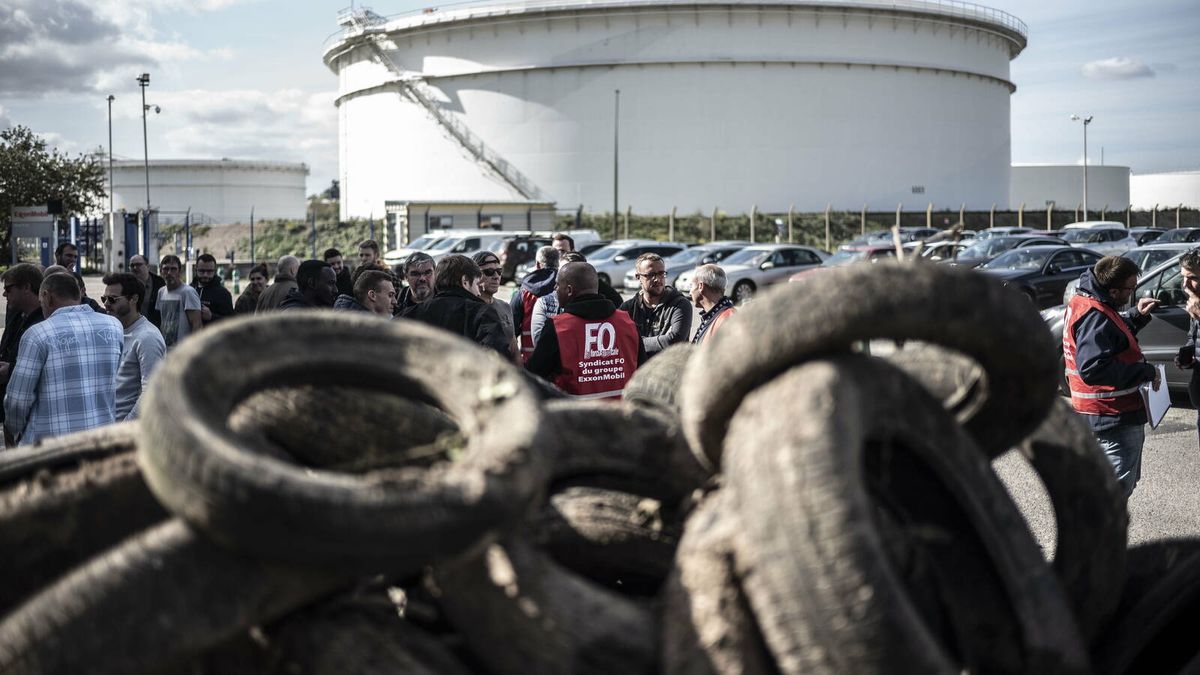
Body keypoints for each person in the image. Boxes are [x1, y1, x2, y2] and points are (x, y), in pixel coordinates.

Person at [1063, 255, 1161, 498]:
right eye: (1130, 289)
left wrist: (1136, 316)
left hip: (1102, 413)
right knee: (1114, 493)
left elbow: (1110, 336)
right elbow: (1093, 368)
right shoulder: (1095, 315)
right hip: (1113, 415)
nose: (1133, 293)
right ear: (1114, 291)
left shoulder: (1088, 301)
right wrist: (1145, 372)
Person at [4, 273, 124, 446]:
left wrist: (14, 432)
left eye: (41, 302)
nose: (42, 308)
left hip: (50, 447)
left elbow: (18, 400)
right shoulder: (114, 327)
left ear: (47, 296)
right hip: (100, 442)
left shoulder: (37, 334)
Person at [527, 261, 644, 399]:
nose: (555, 288)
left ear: (569, 290)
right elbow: (643, 369)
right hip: (622, 410)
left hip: (574, 411)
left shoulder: (558, 327)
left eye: (557, 285)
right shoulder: (627, 322)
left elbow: (533, 375)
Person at [407, 255, 510, 356]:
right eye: (476, 284)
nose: (479, 293)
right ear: (465, 281)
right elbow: (496, 355)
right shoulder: (484, 314)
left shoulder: (410, 314)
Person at [102, 273, 165, 421]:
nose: (106, 304)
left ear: (134, 299)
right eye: (104, 299)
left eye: (113, 299)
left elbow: (152, 390)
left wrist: (126, 426)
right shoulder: (113, 331)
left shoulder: (148, 337)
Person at [0, 264, 45, 442]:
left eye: (8, 289)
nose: (4, 294)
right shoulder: (16, 314)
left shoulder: (45, 320)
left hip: (30, 417)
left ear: (26, 287)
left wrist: (10, 369)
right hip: (9, 406)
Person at [619, 252, 693, 358]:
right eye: (651, 275)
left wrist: (635, 342)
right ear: (638, 277)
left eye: (661, 273)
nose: (657, 279)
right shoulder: (627, 308)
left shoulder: (680, 304)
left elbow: (674, 341)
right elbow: (619, 340)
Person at [512, 246, 559, 363]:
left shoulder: (523, 292)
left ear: (537, 264)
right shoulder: (564, 288)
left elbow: (511, 329)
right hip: (560, 359)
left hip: (530, 359)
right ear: (558, 263)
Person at [530, 251, 587, 346]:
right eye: (561, 271)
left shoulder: (593, 304)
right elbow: (540, 343)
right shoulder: (545, 303)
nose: (563, 277)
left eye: (570, 273)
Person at [1174, 249, 1200, 447]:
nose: (1185, 285)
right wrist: (1188, 354)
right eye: (1183, 277)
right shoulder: (1194, 302)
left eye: (1192, 278)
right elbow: (1194, 337)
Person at [473, 250, 518, 360]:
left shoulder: (505, 307)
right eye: (489, 271)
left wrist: (519, 368)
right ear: (474, 275)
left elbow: (514, 348)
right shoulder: (468, 309)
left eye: (499, 271)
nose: (496, 276)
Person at [156, 254, 203, 348]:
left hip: (183, 349)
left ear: (179, 271)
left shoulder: (188, 292)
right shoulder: (161, 292)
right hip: (165, 349)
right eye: (166, 269)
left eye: (173, 269)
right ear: (161, 271)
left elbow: (197, 325)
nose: (169, 273)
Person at [690, 263, 737, 344]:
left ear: (701, 286)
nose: (690, 292)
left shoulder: (727, 319)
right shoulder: (716, 315)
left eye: (691, 286)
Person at [191, 253, 235, 327]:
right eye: (202, 271)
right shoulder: (189, 290)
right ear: (196, 270)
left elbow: (232, 322)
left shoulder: (223, 294)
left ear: (215, 271)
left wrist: (212, 317)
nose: (205, 275)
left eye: (209, 271)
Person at [129, 255, 166, 327]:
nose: (135, 268)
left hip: (154, 327)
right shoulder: (125, 283)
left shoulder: (159, 283)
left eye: (138, 265)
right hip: (132, 328)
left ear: (148, 266)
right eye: (132, 265)